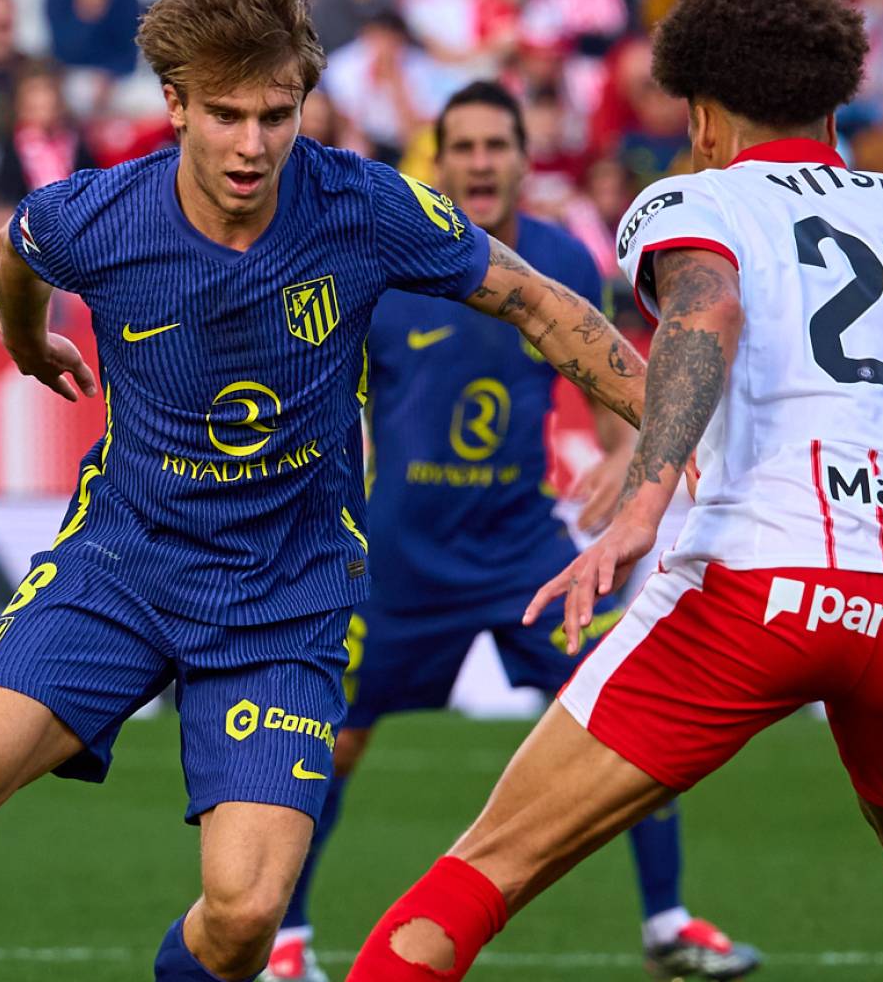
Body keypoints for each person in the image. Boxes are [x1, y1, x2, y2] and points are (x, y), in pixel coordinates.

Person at [0, 0, 646, 982]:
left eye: (276, 115)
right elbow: (15, 253)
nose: (253, 145)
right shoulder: (99, 215)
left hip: (285, 598)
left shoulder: (365, 207)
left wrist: (672, 434)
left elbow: (542, 305)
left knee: (247, 915)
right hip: (124, 561)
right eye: (225, 115)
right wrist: (28, 343)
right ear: (175, 105)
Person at [347, 0, 883, 982]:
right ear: (833, 107)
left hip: (761, 591)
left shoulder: (695, 200)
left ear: (702, 117)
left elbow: (706, 311)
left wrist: (640, 508)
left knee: (488, 868)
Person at [261, 81, 761, 982]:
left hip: (524, 553)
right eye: (465, 147)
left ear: (526, 160)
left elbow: (603, 375)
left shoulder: (561, 257)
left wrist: (623, 447)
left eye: (498, 145)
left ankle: (669, 923)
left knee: (634, 711)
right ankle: (286, 941)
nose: (482, 161)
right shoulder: (390, 266)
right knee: (335, 741)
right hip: (401, 557)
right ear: (441, 164)